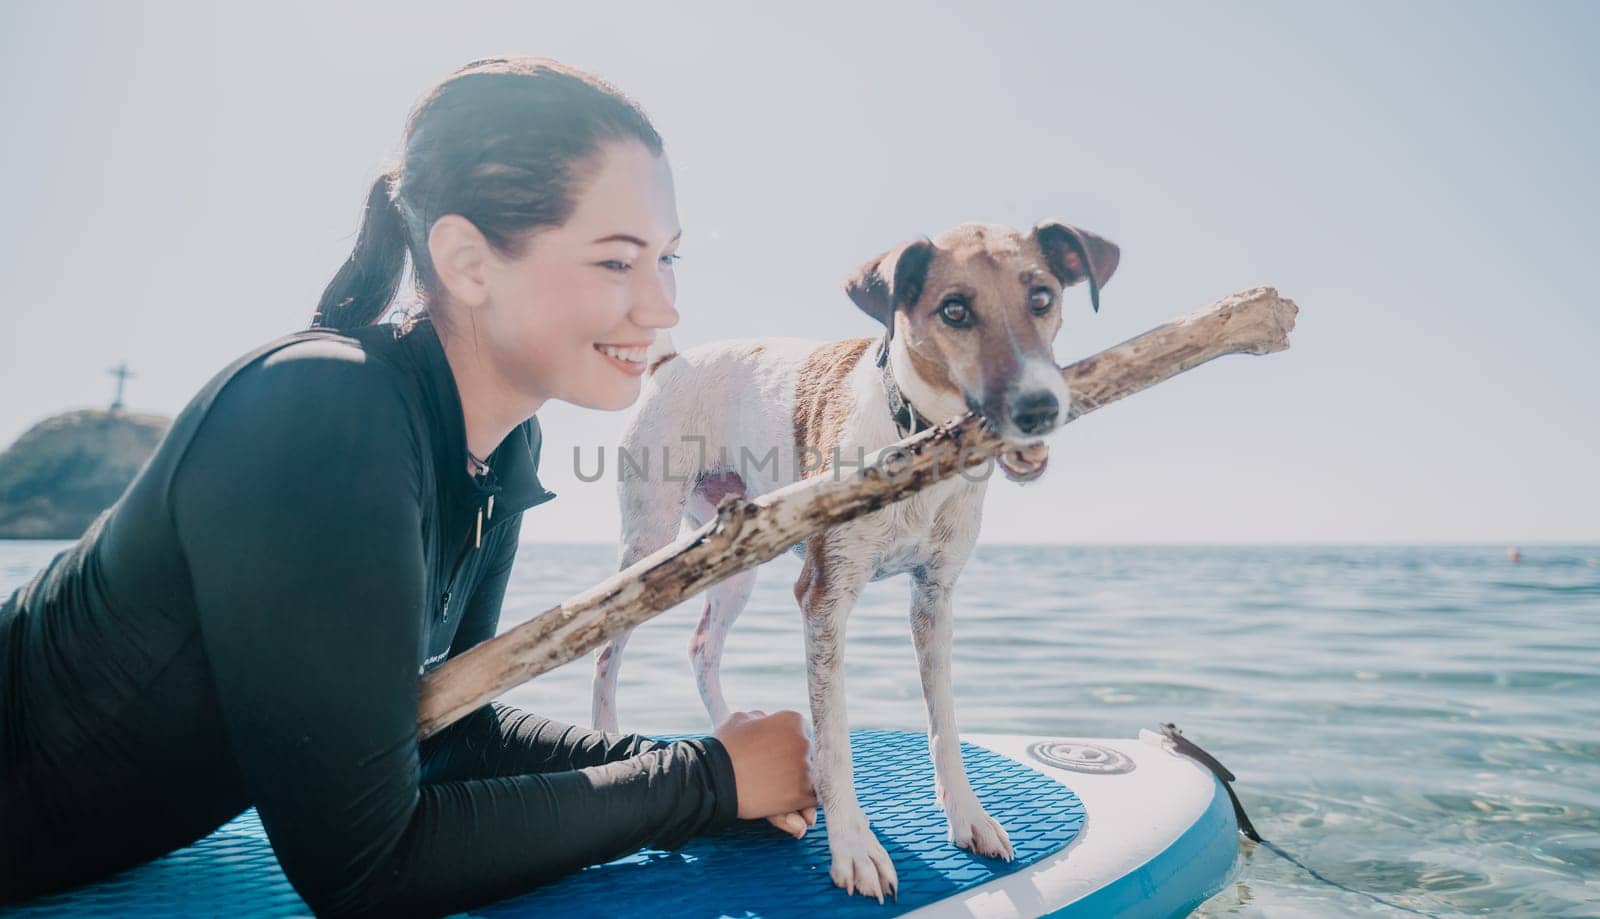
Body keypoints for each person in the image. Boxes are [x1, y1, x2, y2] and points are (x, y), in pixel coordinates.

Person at [0, 57, 816, 917]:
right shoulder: (324, 413)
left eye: (669, 258)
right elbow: (367, 869)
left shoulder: (495, 441)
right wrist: (704, 782)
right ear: (467, 260)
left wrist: (699, 769)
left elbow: (444, 727)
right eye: (618, 262)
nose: (663, 307)